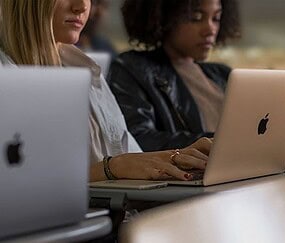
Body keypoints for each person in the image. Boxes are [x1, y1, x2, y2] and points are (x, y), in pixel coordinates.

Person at [0, 0, 211, 182]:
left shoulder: (89, 73)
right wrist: (111, 169)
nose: (82, 7)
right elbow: (22, 184)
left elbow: (130, 155)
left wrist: (175, 160)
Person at [108, 0, 241, 152]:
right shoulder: (133, 68)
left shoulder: (223, 74)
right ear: (165, 17)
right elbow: (137, 139)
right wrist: (216, 143)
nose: (210, 29)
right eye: (196, 17)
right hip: (195, 173)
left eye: (216, 18)